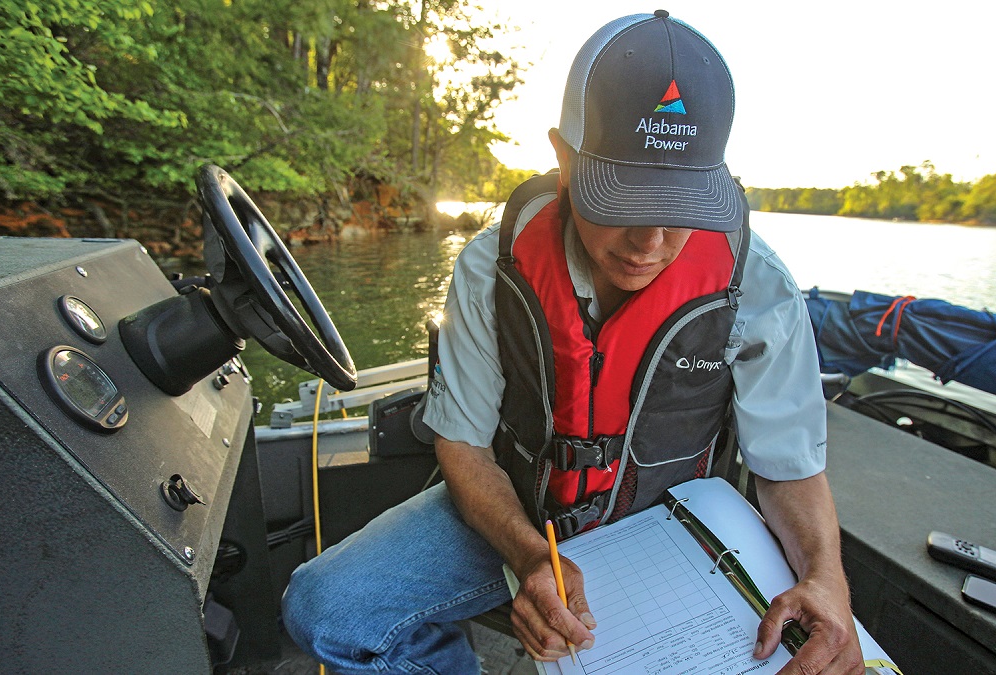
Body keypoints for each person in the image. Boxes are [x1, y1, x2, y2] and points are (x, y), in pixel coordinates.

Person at [282, 10, 863, 674]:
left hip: (665, 533)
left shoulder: (757, 286)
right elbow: (462, 447)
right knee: (323, 610)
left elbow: (789, 466)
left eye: (680, 204)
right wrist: (532, 554)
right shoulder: (489, 267)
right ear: (563, 158)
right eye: (622, 197)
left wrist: (827, 577)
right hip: (515, 518)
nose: (650, 243)